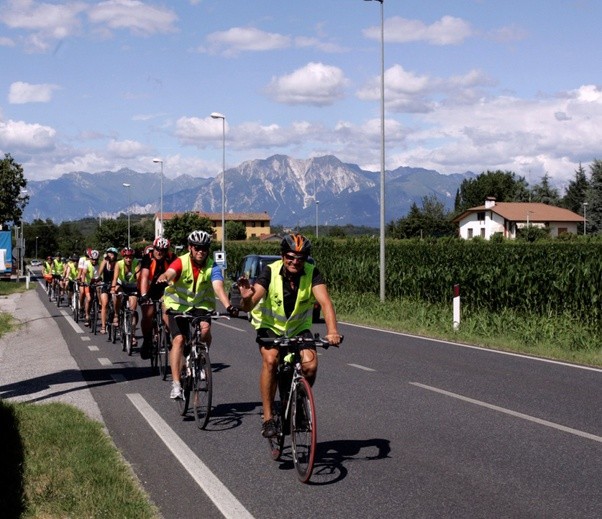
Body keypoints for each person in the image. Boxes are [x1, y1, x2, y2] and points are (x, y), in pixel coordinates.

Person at [238, 233, 342, 438]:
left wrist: (332, 331)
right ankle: (268, 418)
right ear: (282, 255)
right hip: (270, 326)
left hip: (296, 327)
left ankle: (298, 399)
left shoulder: (312, 273)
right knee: (271, 360)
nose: (295, 262)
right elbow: (251, 301)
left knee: (310, 365)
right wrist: (246, 299)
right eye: (290, 257)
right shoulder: (269, 271)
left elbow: (325, 303)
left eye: (300, 258)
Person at [156, 230, 238, 400]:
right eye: (197, 248)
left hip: (201, 306)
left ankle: (199, 358)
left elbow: (218, 287)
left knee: (205, 330)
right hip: (178, 306)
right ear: (190, 248)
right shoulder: (181, 261)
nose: (200, 251)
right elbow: (171, 272)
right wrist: (165, 276)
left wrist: (229, 306)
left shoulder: (212, 266)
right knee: (178, 340)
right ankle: (176, 385)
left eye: (204, 248)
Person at [138, 237, 173, 359]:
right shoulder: (148, 258)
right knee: (148, 314)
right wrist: (143, 296)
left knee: (167, 312)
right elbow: (144, 276)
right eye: (157, 249)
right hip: (148, 288)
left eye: (163, 250)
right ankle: (147, 340)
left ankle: (169, 337)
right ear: (154, 248)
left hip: (164, 290)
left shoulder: (171, 257)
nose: (159, 252)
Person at [111, 247, 141, 346]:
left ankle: (132, 335)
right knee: (117, 295)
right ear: (123, 257)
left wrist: (141, 289)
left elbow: (139, 277)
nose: (129, 259)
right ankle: (116, 314)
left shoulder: (136, 263)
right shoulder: (119, 264)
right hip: (122, 285)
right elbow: (115, 278)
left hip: (132, 286)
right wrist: (113, 288)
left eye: (130, 257)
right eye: (127, 257)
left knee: (133, 309)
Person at [97, 247, 118, 334]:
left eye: (112, 254)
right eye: (108, 253)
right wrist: (98, 280)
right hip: (105, 284)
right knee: (104, 303)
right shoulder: (104, 262)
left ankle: (116, 317)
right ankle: (103, 326)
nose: (110, 255)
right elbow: (99, 273)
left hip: (115, 285)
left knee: (115, 300)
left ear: (115, 256)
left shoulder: (117, 264)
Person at [78, 249, 101, 326]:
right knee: (89, 299)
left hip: (96, 282)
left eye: (96, 260)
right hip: (88, 283)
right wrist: (83, 281)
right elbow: (84, 273)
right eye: (93, 259)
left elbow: (101, 274)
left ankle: (99, 306)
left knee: (100, 291)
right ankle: (87, 316)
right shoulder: (87, 263)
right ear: (90, 258)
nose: (94, 261)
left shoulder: (99, 264)